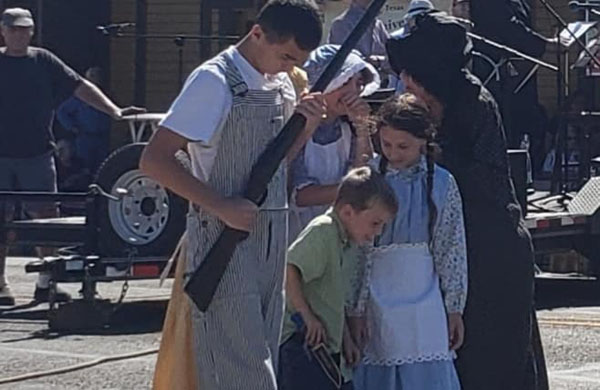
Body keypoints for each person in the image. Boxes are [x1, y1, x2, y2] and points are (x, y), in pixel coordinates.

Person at [140, 1, 325, 389]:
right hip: (223, 240)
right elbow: (154, 159)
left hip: (272, 238)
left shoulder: (282, 83)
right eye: (285, 55)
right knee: (245, 371)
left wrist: (304, 127)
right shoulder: (214, 81)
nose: (291, 67)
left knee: (262, 357)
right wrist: (220, 205)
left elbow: (277, 166)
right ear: (257, 33)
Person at [386, 11, 544, 390]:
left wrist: (435, 149)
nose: (405, 80)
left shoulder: (473, 102)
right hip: (449, 258)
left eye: (411, 72)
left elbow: (486, 182)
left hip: (490, 256)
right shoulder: (428, 106)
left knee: (493, 365)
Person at [0, 7, 143, 306]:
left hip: (36, 153)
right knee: (3, 219)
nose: (19, 34)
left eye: (24, 29)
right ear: (3, 30)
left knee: (46, 219)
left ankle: (47, 282)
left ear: (32, 31)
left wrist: (114, 110)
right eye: (13, 29)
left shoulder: (43, 60)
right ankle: (1, 284)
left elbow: (80, 86)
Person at [351, 94, 467, 390]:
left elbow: (451, 248)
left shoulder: (441, 182)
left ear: (423, 140)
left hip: (424, 296)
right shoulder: (370, 178)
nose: (393, 153)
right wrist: (356, 308)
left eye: (403, 146)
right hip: (375, 292)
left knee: (426, 372)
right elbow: (357, 250)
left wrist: (454, 307)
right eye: (386, 144)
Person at [278, 166, 398, 390]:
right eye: (374, 223)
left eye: (382, 225)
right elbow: (290, 269)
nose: (378, 232)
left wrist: (346, 340)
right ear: (347, 212)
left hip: (329, 349)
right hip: (302, 344)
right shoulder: (323, 231)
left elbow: (334, 296)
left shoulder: (350, 243)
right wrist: (307, 316)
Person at [289, 44, 380, 239]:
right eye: (346, 82)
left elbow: (363, 173)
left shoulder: (349, 129)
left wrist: (362, 129)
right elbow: (301, 196)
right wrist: (352, 191)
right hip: (300, 234)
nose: (353, 91)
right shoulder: (298, 128)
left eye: (358, 83)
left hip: (341, 234)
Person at [57, 67, 112, 177]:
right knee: (84, 166)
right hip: (85, 136)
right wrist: (71, 126)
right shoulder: (81, 97)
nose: (95, 80)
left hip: (102, 137)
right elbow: (62, 112)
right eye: (92, 77)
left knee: (102, 166)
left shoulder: (106, 96)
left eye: (97, 77)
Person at [328, 0, 390, 84]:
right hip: (356, 91)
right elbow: (340, 66)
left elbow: (393, 59)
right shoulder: (341, 24)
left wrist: (379, 60)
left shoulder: (378, 25)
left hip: (383, 88)